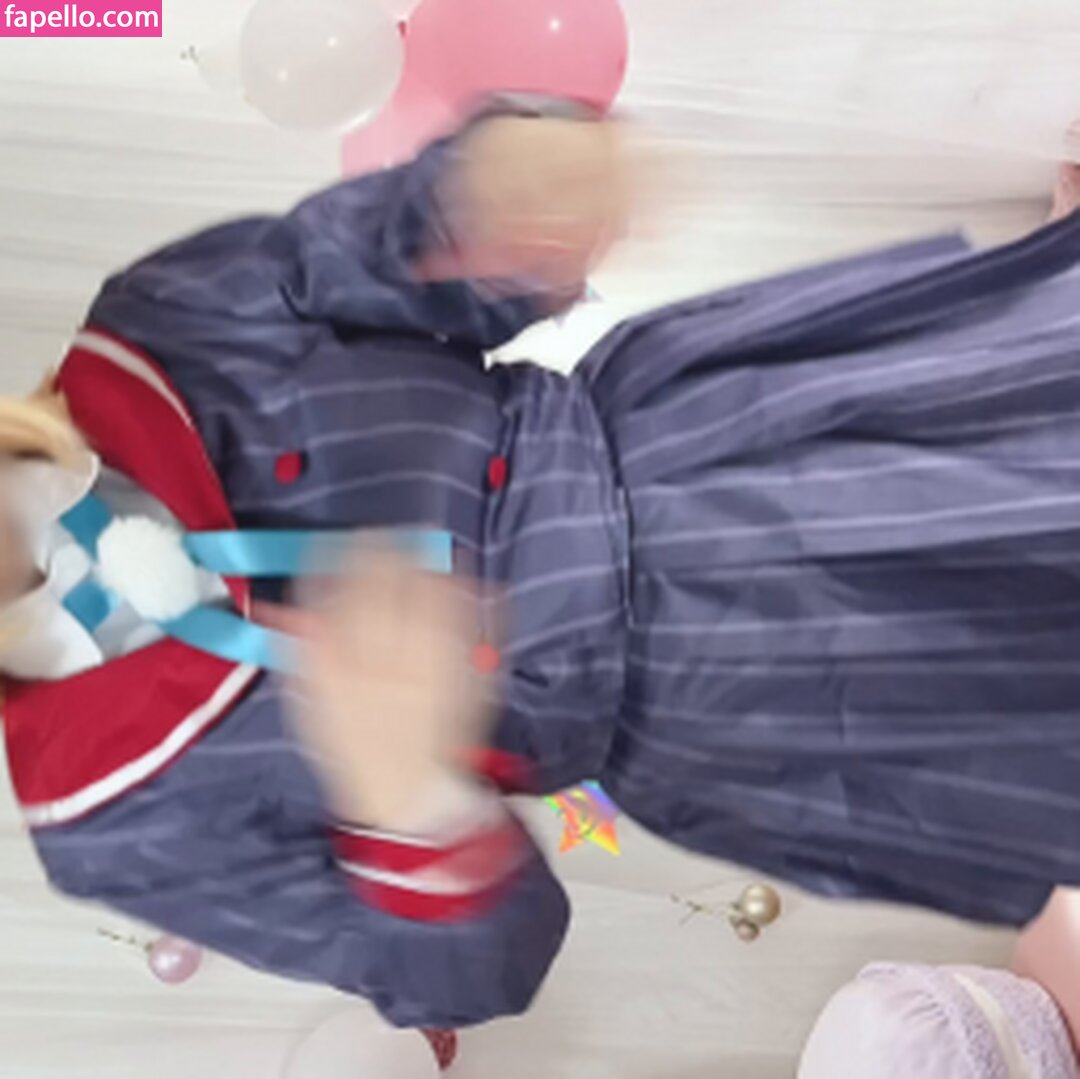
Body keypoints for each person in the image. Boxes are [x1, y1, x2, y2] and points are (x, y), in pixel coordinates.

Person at [6, 97, 1080, 1032]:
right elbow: (474, 971)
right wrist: (404, 801)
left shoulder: (156, 327)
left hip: (723, 429)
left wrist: (518, 186)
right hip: (750, 715)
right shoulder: (111, 821)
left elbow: (422, 239)